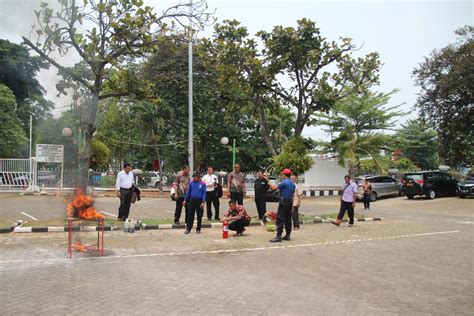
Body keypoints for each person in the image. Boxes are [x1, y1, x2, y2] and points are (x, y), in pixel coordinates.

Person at [269, 169, 296, 242]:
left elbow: (274, 188)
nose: (282, 175)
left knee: (280, 218)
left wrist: (268, 181)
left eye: (282, 174)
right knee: (288, 219)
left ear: (284, 175)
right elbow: (293, 195)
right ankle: (288, 235)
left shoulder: (284, 182)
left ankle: (278, 236)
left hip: (283, 202)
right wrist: (293, 205)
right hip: (289, 202)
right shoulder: (292, 184)